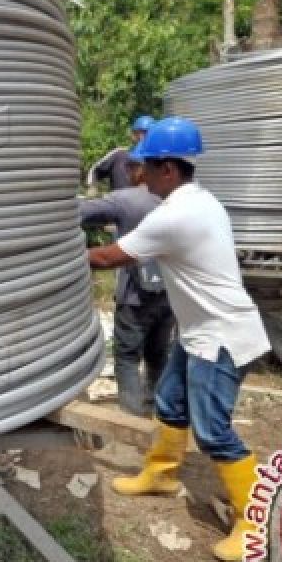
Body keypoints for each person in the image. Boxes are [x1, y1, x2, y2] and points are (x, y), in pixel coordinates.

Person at [86, 117, 269, 562]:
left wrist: (54, 252)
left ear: (168, 168)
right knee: (170, 402)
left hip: (220, 337)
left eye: (144, 166)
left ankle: (255, 521)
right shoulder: (202, 201)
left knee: (214, 431)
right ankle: (161, 474)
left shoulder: (175, 215)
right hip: (199, 332)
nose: (137, 173)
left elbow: (110, 257)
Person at [80, 157, 174, 417]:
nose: (128, 173)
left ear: (143, 169)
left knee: (128, 357)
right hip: (169, 294)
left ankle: (133, 420)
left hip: (135, 297)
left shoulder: (127, 199)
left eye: (131, 168)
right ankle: (157, 411)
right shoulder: (174, 200)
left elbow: (79, 213)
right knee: (158, 355)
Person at [86, 115, 155, 192]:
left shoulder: (156, 160)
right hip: (117, 202)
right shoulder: (119, 155)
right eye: (138, 133)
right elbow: (95, 170)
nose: (141, 138)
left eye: (145, 134)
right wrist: (92, 186)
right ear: (133, 135)